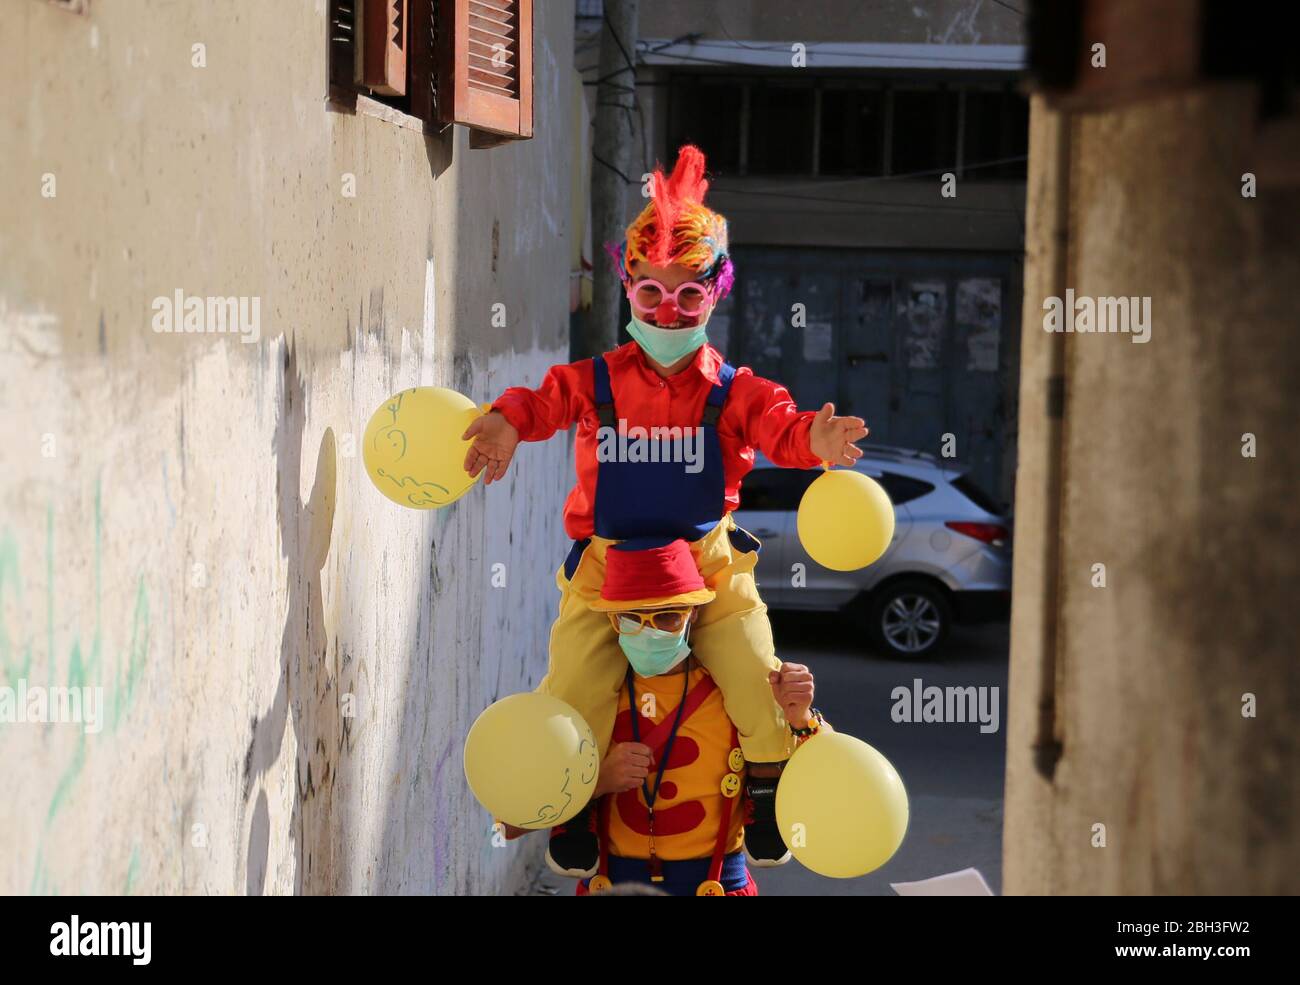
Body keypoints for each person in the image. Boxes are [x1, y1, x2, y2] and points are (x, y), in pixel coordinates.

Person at [464, 144, 861, 862]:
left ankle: (768, 794)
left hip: (709, 568)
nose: (669, 313)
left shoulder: (735, 390)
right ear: (627, 287)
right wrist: (504, 420)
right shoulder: (597, 379)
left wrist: (817, 438)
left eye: (689, 295)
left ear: (717, 292)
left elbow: (784, 428)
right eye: (651, 294)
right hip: (605, 572)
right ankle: (576, 816)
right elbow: (541, 401)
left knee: (754, 674)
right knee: (576, 688)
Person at [504, 538, 831, 896]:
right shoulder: (579, 699)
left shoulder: (744, 689)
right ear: (612, 620)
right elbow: (509, 824)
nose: (650, 630)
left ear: (693, 615)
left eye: (667, 616)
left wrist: (800, 718)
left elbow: (832, 789)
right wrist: (595, 783)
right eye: (632, 618)